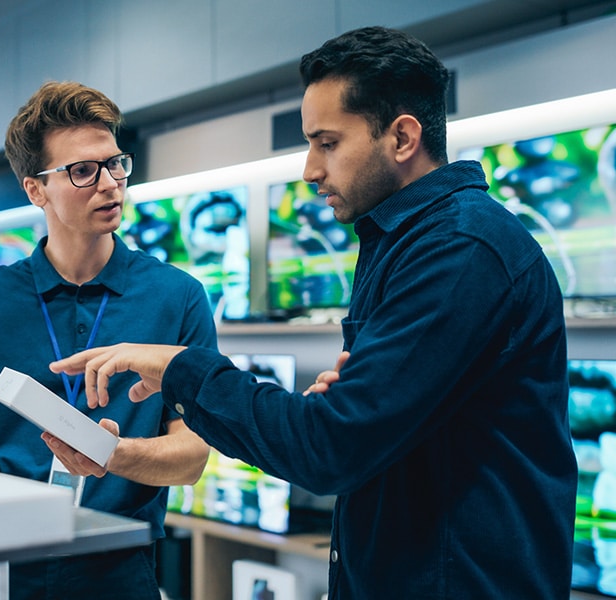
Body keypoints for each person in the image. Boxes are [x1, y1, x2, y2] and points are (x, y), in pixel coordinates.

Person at [47, 27, 578, 599]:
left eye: (327, 143)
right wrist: (356, 403)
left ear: (402, 137)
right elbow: (370, 429)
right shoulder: (406, 242)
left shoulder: (461, 251)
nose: (309, 169)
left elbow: (329, 448)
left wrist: (182, 367)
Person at [0, 81, 217, 600]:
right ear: (36, 190)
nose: (110, 184)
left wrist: (109, 453)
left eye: (116, 164)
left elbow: (192, 457)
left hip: (120, 566)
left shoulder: (176, 297)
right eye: (83, 171)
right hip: (4, 563)